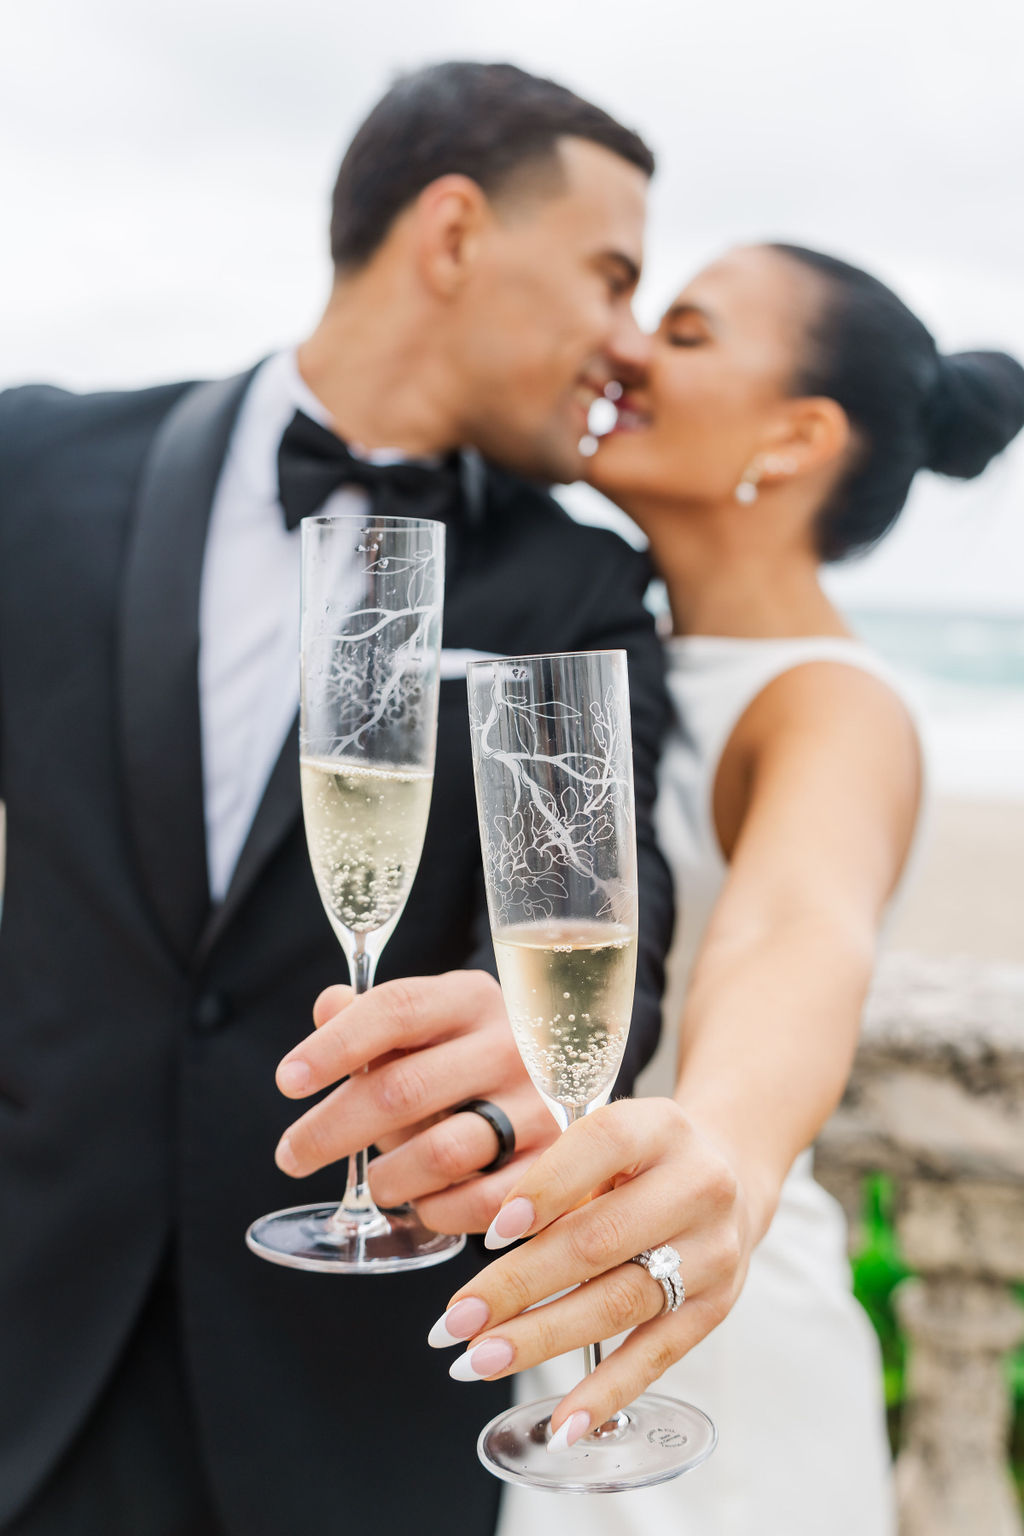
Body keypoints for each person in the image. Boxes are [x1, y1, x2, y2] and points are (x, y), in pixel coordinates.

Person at [0, 63, 675, 1536]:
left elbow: (618, 917)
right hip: (30, 1357)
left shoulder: (580, 583)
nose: (630, 344)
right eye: (611, 277)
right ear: (452, 235)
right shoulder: (32, 464)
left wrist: (522, 1069)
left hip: (348, 1420)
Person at [421, 243, 1024, 1534]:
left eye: (686, 334)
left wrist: (729, 1157)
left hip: (715, 1336)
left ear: (799, 433)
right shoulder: (608, 658)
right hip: (572, 1293)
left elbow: (799, 930)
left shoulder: (831, 703)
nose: (627, 348)